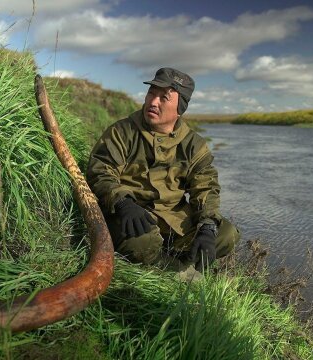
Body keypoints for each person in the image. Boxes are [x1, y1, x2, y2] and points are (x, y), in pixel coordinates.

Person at [86, 67, 240, 279]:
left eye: (164, 97)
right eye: (151, 93)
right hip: (132, 215)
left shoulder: (194, 144)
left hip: (174, 217)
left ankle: (178, 262)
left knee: (225, 235)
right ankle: (175, 273)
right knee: (141, 242)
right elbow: (100, 170)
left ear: (180, 108)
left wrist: (207, 226)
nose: (153, 102)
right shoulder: (122, 131)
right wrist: (123, 203)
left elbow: (206, 187)